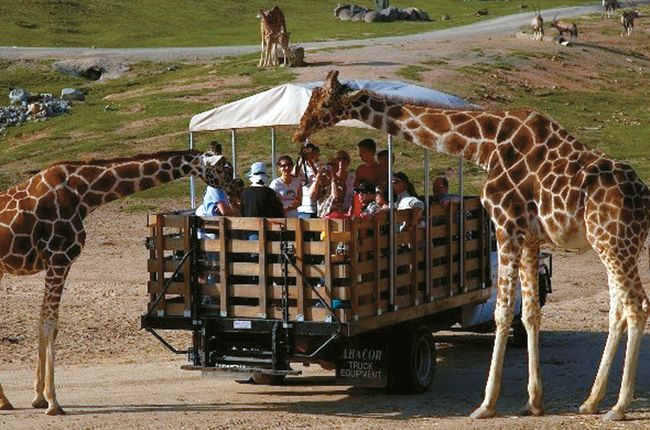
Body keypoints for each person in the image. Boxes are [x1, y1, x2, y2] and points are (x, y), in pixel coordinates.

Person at [295, 143, 321, 219]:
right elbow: (294, 176)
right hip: (302, 207)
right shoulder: (300, 166)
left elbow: (319, 177)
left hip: (315, 207)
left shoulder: (319, 165)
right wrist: (301, 159)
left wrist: (310, 162)